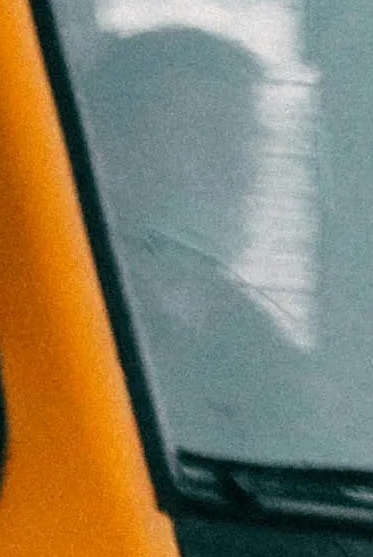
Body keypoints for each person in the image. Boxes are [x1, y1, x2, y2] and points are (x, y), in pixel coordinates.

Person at [87, 23, 310, 453]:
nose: (238, 170)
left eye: (247, 139)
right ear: (110, 153)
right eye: (204, 133)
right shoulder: (68, 322)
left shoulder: (262, 351)